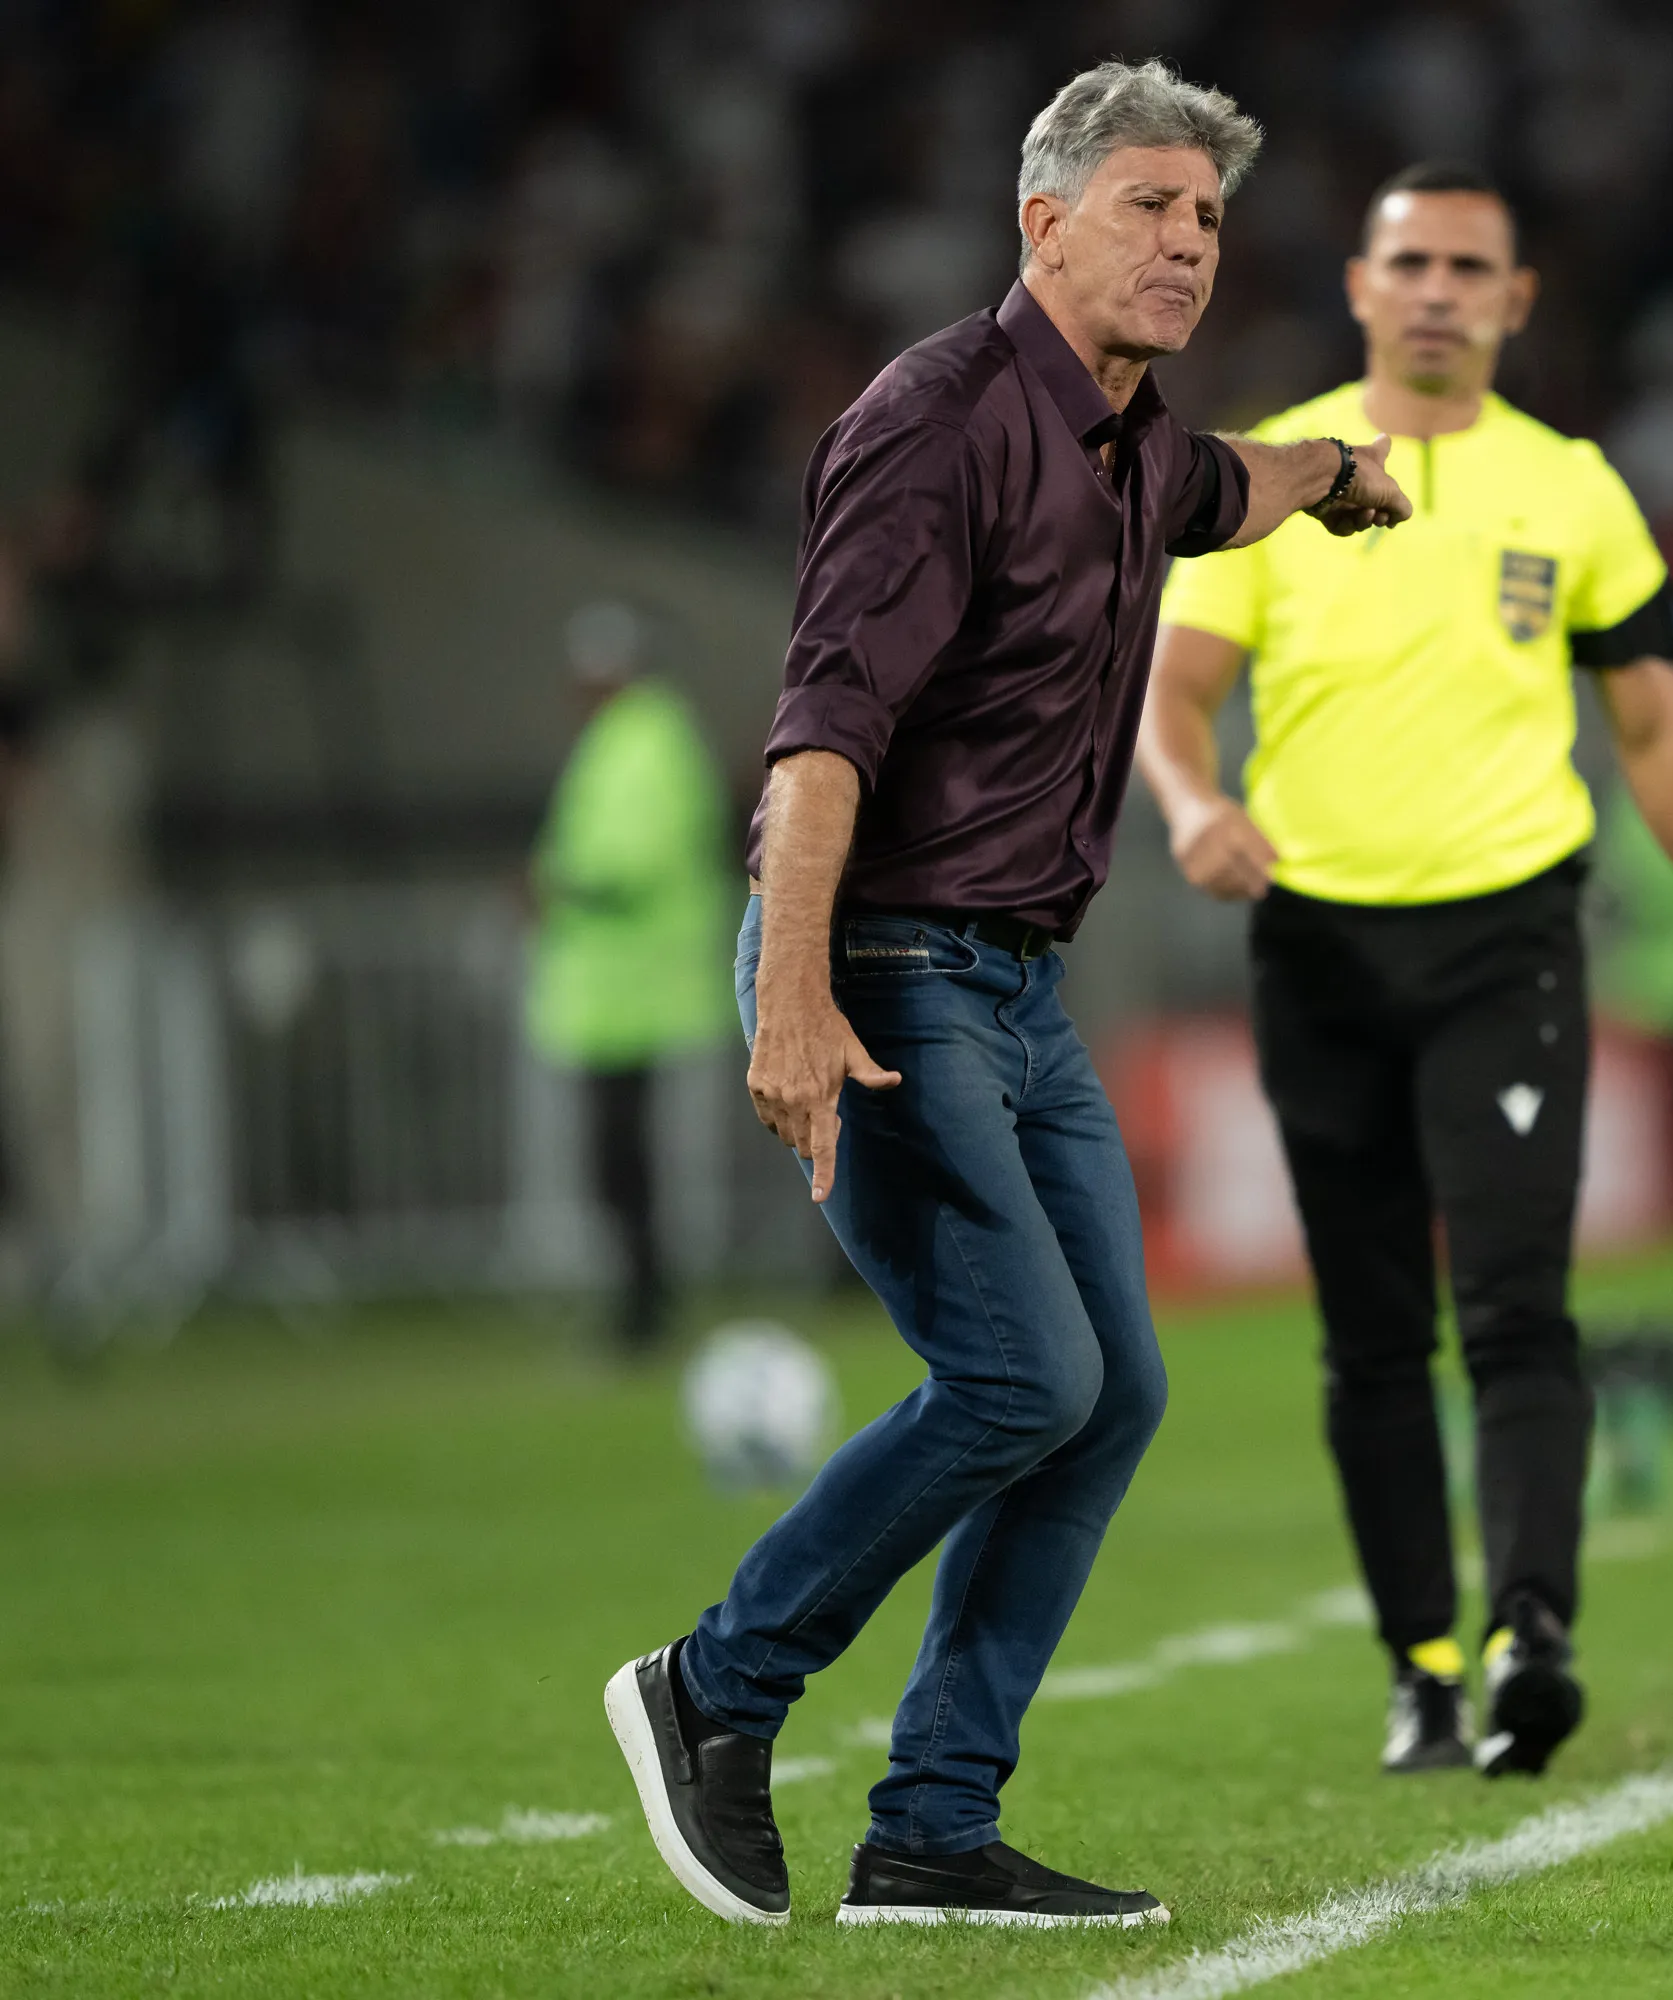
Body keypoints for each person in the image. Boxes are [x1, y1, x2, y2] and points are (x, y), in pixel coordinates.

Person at [601, 60, 1412, 1932]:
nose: (1188, 243)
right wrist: (789, 999)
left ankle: (932, 1827)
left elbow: (1237, 486)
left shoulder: (1139, 443)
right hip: (884, 967)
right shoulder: (938, 421)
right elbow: (819, 743)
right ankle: (710, 1689)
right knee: (1022, 1373)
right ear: (1041, 224)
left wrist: (1341, 481)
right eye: (1149, 204)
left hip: (1011, 993)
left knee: (1107, 1394)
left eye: (1207, 218)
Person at [1141, 161, 1673, 1780]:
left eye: (1467, 265)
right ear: (1359, 285)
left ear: (1515, 299)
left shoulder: (1570, 489)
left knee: (1514, 1305)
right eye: (1408, 260)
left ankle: (1531, 1636)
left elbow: (1654, 726)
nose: (1435, 287)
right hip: (1319, 946)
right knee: (1368, 1333)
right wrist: (1194, 803)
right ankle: (1420, 1663)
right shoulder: (1275, 474)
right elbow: (1176, 685)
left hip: (1507, 937)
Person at [524, 602, 734, 1355]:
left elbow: (630, 861)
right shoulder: (635, 738)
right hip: (621, 994)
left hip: (636, 991)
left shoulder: (646, 740)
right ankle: (640, 1302)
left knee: (628, 1165)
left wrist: (557, 887)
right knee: (624, 1163)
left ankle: (644, 1309)